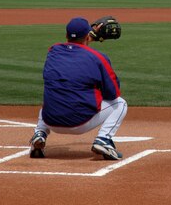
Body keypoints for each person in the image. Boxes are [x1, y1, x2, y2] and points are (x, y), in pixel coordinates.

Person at [29, 17, 128, 160]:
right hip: (80, 123)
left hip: (51, 120)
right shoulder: (99, 57)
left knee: (54, 96)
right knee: (120, 104)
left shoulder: (53, 51)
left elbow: (73, 48)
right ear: (88, 36)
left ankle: (40, 133)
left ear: (66, 36)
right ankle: (104, 140)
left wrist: (87, 38)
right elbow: (112, 93)